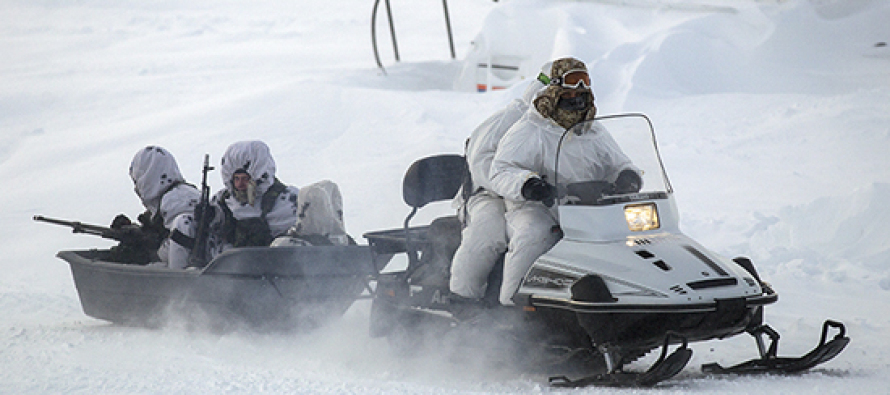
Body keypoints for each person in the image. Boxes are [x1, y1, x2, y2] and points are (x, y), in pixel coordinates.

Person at [488, 57, 641, 306]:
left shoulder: (593, 130)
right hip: (537, 206)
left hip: (588, 206)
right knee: (533, 234)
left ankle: (632, 294)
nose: (579, 89)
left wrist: (628, 177)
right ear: (556, 86)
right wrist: (529, 185)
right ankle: (513, 304)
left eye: (585, 81)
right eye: (572, 81)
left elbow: (619, 162)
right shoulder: (531, 128)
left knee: (633, 234)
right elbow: (500, 170)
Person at [448, 64, 550, 302]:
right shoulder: (507, 120)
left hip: (531, 196)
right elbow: (481, 163)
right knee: (489, 232)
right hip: (488, 194)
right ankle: (464, 298)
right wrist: (520, 185)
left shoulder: (565, 125)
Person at [109, 146, 200, 267]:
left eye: (137, 181)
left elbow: (181, 241)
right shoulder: (181, 194)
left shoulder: (174, 200)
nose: (136, 188)